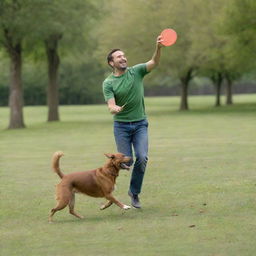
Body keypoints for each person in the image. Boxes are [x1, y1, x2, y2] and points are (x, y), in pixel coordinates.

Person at [102, 35, 164, 208]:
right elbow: (111, 104)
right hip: (121, 126)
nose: (123, 58)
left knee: (142, 158)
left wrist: (158, 48)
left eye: (124, 55)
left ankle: (134, 193)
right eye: (118, 56)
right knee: (126, 162)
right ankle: (105, 187)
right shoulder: (108, 83)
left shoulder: (136, 71)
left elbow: (154, 62)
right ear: (111, 63)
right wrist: (114, 108)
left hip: (140, 125)